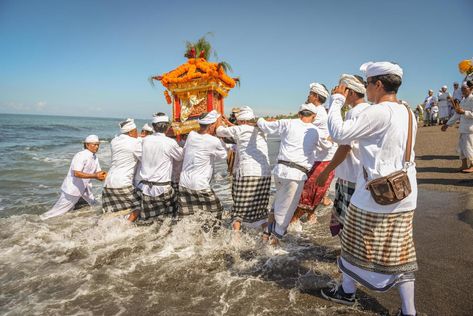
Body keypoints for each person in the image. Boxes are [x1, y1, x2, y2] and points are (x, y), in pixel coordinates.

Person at [321, 61, 418, 316]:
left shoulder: (379, 111)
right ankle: (409, 311)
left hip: (376, 195)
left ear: (377, 84)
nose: (366, 89)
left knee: (352, 245)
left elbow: (340, 134)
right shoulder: (408, 112)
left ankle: (347, 292)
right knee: (400, 252)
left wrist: (337, 100)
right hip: (405, 192)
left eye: (367, 84)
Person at [315, 74, 370, 236]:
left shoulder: (354, 113)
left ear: (350, 92)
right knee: (358, 223)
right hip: (360, 175)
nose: (337, 92)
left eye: (341, 89)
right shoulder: (369, 110)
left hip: (351, 176)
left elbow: (345, 147)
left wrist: (326, 172)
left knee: (349, 224)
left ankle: (349, 256)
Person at [257, 103, 319, 243]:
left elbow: (265, 126)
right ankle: (273, 248)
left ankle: (266, 234)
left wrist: (260, 120)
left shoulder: (287, 122)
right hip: (295, 175)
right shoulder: (315, 130)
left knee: (277, 203)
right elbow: (326, 147)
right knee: (285, 214)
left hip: (279, 171)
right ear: (313, 116)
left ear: (299, 114)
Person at [215, 106, 271, 231]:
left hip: (247, 172)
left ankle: (236, 239)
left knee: (239, 209)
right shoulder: (261, 130)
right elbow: (242, 128)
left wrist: (218, 117)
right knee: (261, 210)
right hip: (265, 173)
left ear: (240, 120)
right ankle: (267, 237)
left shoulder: (240, 129)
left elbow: (219, 131)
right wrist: (229, 123)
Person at [292, 82, 336, 224]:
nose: (308, 96)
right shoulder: (321, 111)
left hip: (321, 159)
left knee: (308, 193)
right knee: (316, 192)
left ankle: (290, 225)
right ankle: (310, 217)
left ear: (316, 96)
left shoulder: (318, 114)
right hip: (323, 158)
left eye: (310, 94)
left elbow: (300, 125)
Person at [40, 135, 106, 220]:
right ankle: (38, 221)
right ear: (87, 145)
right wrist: (95, 176)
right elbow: (77, 173)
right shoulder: (81, 155)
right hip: (72, 190)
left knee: (95, 206)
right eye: (94, 144)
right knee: (57, 212)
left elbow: (99, 173)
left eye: (98, 144)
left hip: (84, 189)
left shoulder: (94, 157)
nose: (97, 147)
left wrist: (106, 176)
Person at [178, 110, 228, 223]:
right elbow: (224, 155)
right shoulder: (214, 141)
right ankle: (210, 236)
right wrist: (220, 135)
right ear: (211, 125)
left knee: (187, 217)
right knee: (217, 211)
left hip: (184, 182)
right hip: (200, 184)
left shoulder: (191, 135)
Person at [137, 113, 183, 221]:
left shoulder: (145, 140)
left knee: (148, 222)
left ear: (153, 127)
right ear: (167, 127)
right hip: (163, 189)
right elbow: (180, 157)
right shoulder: (170, 142)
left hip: (145, 188)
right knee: (169, 220)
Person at [101, 118, 142, 221]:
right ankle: (125, 228)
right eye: (136, 130)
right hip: (122, 182)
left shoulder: (114, 141)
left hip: (108, 183)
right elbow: (144, 159)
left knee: (112, 211)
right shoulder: (135, 143)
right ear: (131, 132)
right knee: (140, 206)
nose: (138, 133)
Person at [442, 80, 473, 173]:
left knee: (469, 147)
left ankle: (472, 165)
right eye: (462, 89)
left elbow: (464, 113)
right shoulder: (463, 101)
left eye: (464, 89)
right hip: (463, 128)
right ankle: (464, 165)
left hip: (470, 129)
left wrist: (464, 112)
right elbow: (457, 115)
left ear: (471, 89)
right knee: (461, 148)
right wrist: (447, 124)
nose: (463, 91)